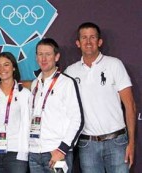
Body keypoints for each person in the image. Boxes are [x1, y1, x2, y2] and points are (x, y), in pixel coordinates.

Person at [65, 22, 136, 173]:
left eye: (92, 37)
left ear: (100, 41)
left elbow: (130, 106)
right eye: (84, 38)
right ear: (78, 43)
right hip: (87, 145)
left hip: (117, 142)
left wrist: (131, 143)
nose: (88, 42)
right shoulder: (70, 72)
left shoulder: (114, 65)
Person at [28, 38, 84, 173]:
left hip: (56, 153)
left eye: (48, 54)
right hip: (35, 153)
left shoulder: (66, 83)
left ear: (57, 57)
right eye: (40, 54)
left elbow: (78, 120)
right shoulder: (35, 84)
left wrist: (62, 149)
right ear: (36, 57)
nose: (43, 58)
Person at [0, 52, 30, 173]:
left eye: (6, 65)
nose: (2, 69)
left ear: (14, 67)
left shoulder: (24, 94)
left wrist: (23, 152)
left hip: (15, 153)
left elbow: (28, 124)